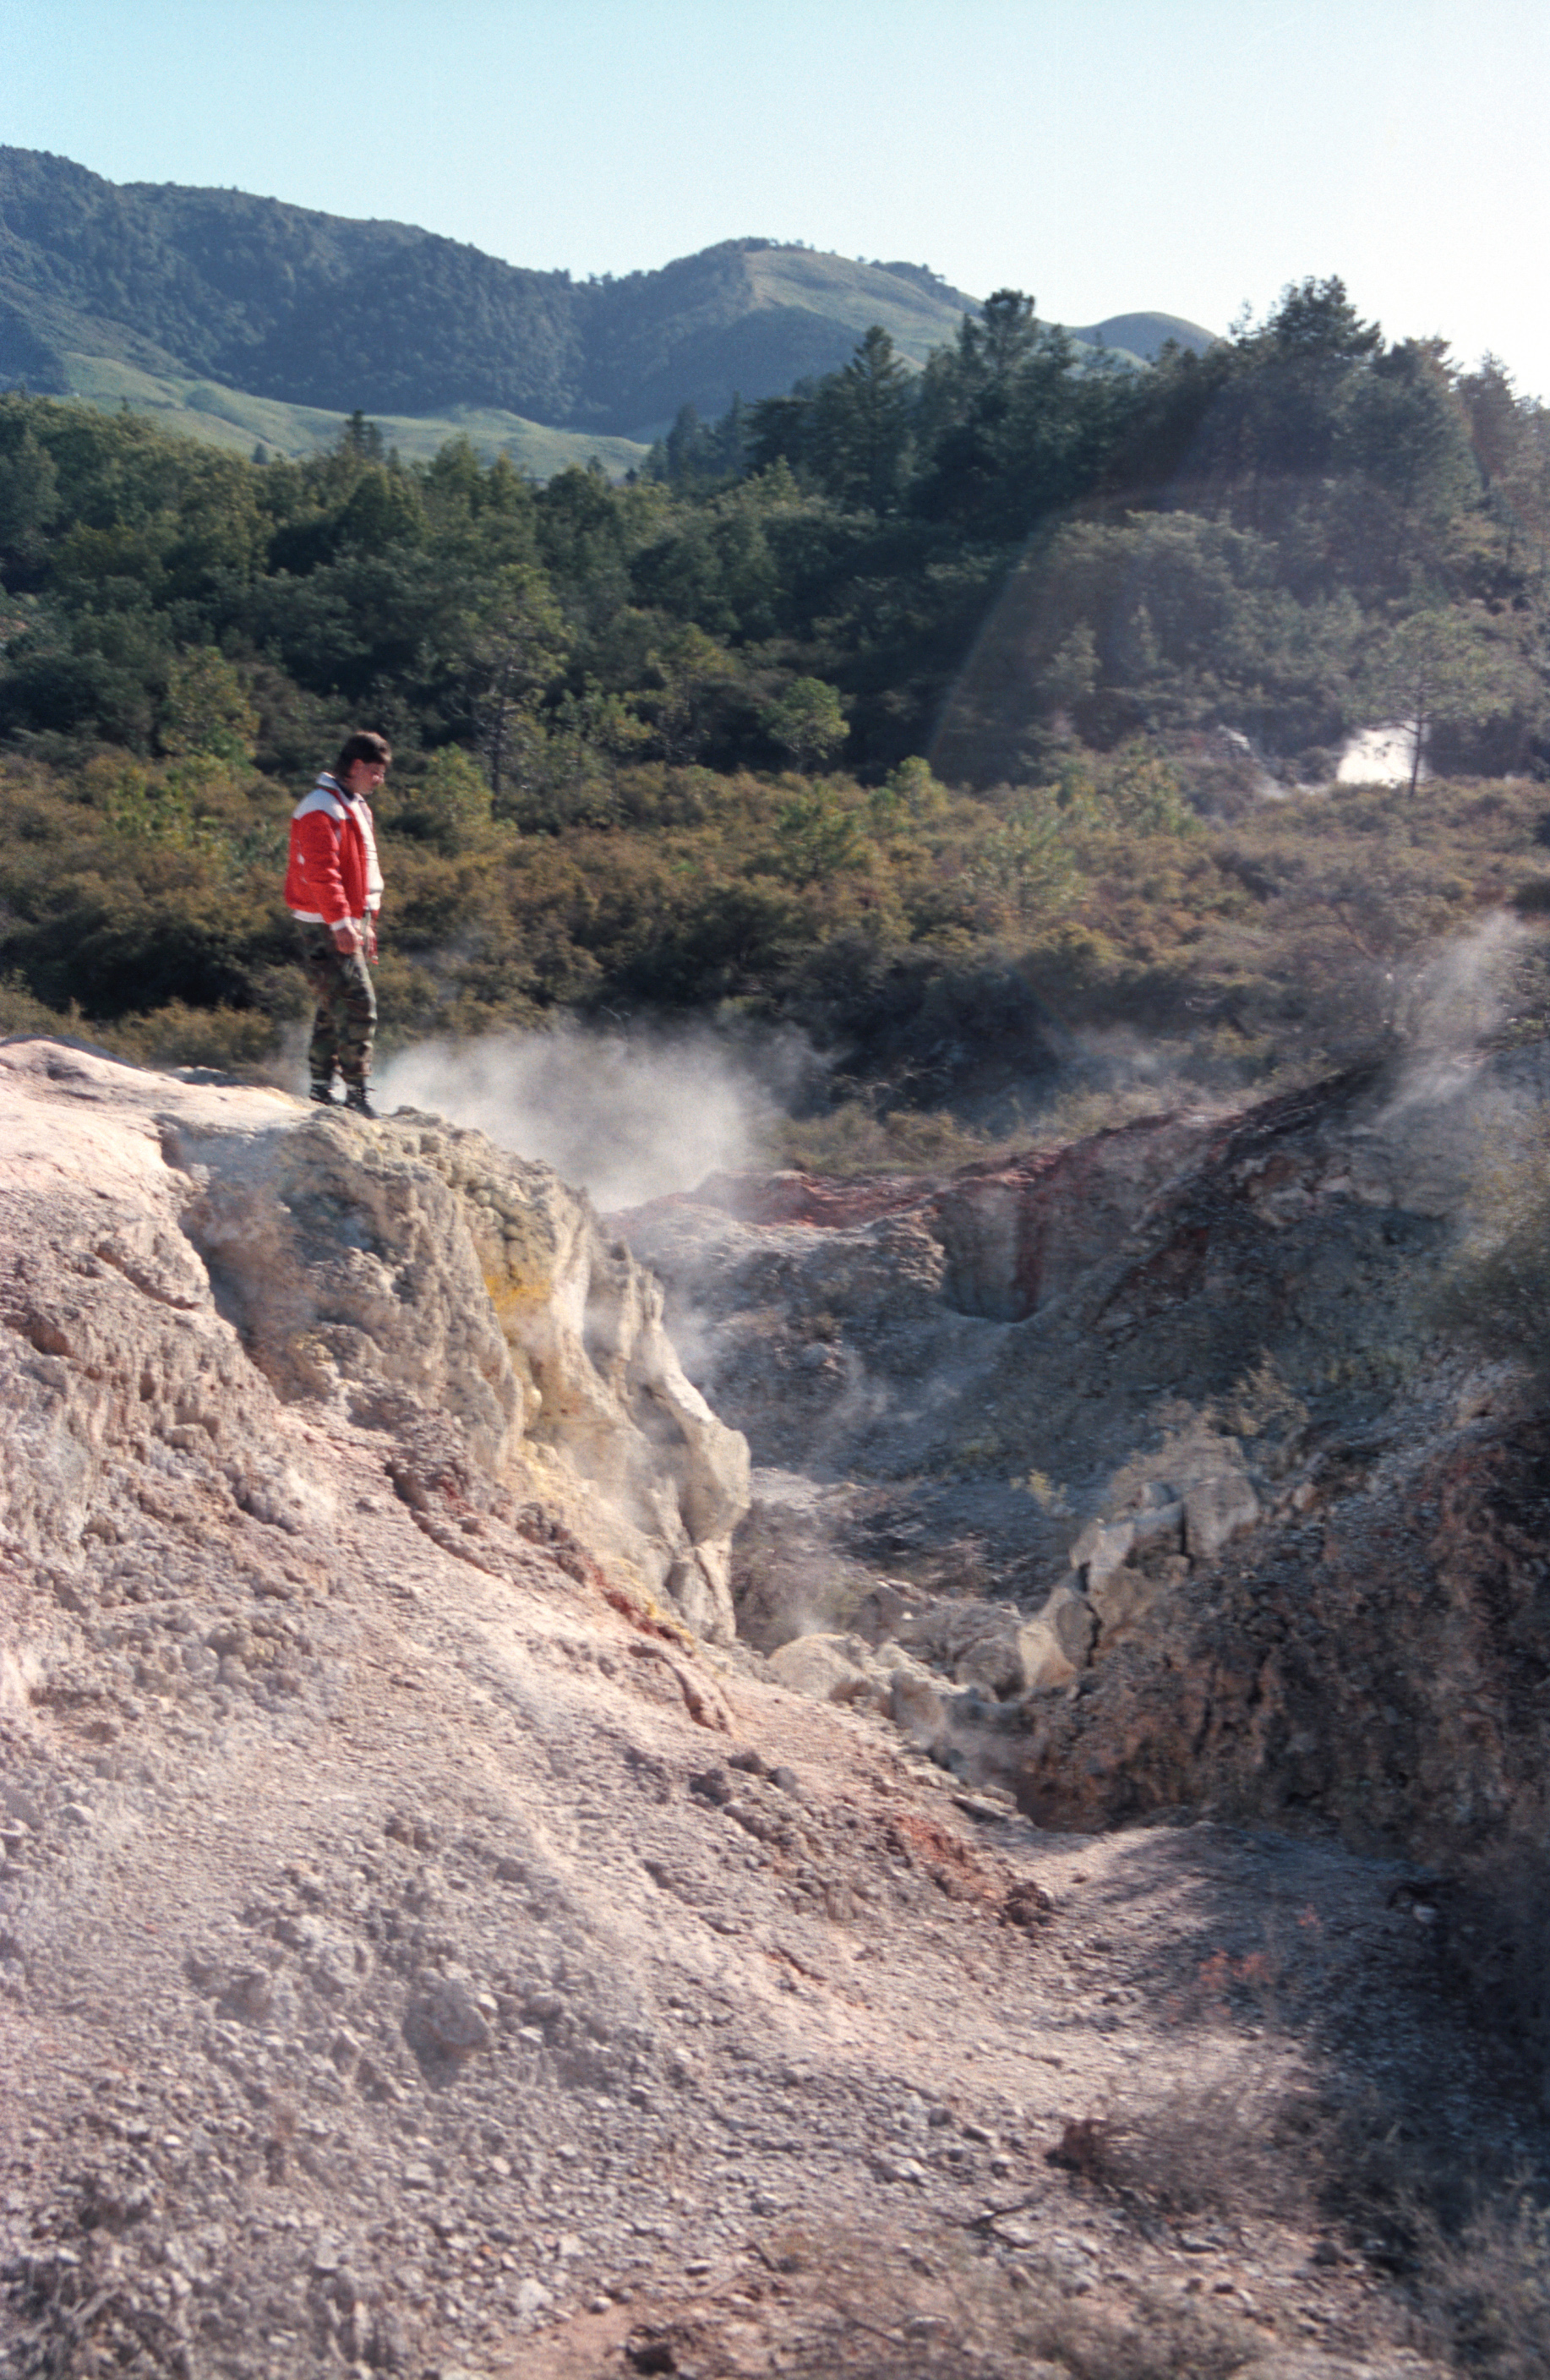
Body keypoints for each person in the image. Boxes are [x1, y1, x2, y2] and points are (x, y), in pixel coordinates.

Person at [284, 730, 390, 1116]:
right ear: (356, 766)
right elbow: (321, 873)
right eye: (376, 771)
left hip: (344, 918)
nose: (380, 780)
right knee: (359, 1004)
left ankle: (320, 1090)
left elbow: (364, 869)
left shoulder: (353, 805)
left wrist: (365, 920)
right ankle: (356, 1095)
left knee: (333, 1003)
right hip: (325, 923)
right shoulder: (321, 807)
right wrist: (342, 922)